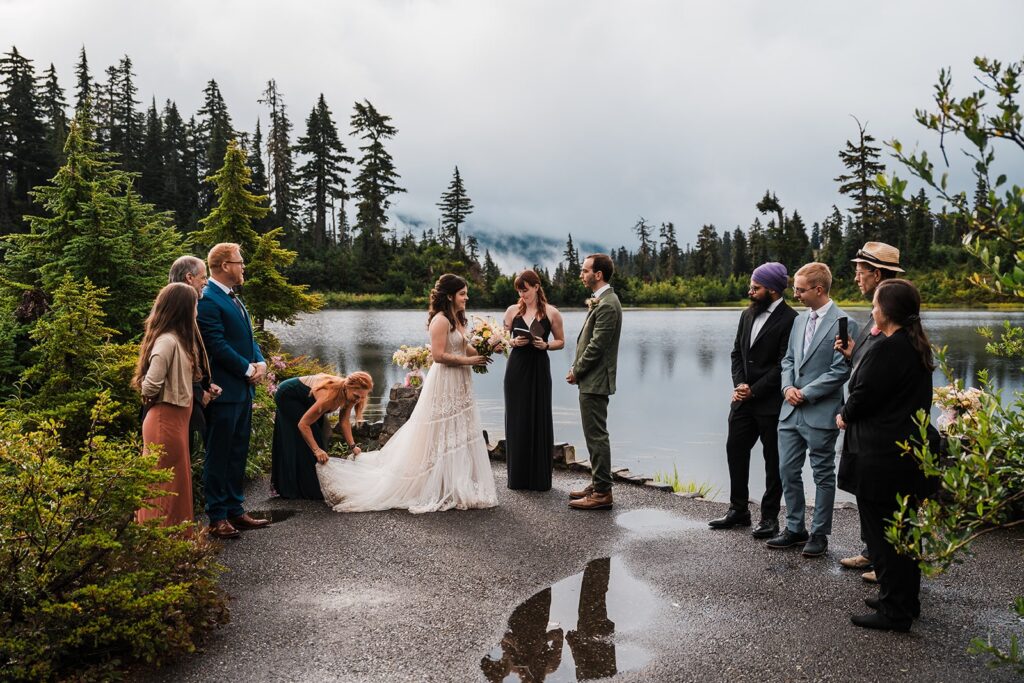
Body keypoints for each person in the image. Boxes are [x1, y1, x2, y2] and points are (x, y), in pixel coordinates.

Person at [316, 274, 498, 513]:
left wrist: (488, 347)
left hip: (461, 382)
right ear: (450, 296)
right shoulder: (441, 320)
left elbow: (467, 347)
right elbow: (438, 356)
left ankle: (456, 483)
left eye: (466, 293)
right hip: (445, 381)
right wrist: (469, 359)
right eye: (462, 293)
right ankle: (434, 483)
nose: (466, 297)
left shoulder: (459, 319)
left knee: (460, 429)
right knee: (437, 429)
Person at [837, 279, 933, 632]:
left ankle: (895, 612)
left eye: (875, 304)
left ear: (888, 311)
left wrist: (844, 415)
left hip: (880, 455)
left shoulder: (888, 349)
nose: (871, 309)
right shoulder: (913, 345)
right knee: (904, 530)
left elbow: (863, 393)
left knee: (885, 535)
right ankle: (905, 600)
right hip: (904, 453)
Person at [768, 262, 856, 557]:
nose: (795, 294)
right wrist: (786, 388)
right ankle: (794, 528)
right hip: (789, 411)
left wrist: (805, 393)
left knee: (822, 474)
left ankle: (819, 533)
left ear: (819, 290)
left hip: (820, 412)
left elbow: (840, 371)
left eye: (800, 290)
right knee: (787, 470)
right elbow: (788, 361)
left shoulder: (845, 322)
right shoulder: (798, 322)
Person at [709, 262, 798, 538]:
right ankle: (739, 511)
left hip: (771, 402)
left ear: (771, 290)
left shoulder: (791, 319)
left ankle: (770, 518)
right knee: (735, 450)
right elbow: (736, 353)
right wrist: (739, 385)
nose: (750, 291)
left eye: (755, 287)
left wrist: (755, 389)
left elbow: (784, 363)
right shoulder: (747, 314)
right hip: (743, 400)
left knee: (774, 461)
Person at [834, 241, 904, 579]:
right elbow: (871, 366)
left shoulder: (896, 319)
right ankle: (873, 551)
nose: (857, 278)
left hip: (881, 428)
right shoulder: (877, 316)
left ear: (877, 274)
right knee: (868, 493)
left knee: (883, 497)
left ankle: (886, 562)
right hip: (869, 426)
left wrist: (847, 412)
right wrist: (852, 354)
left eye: (861, 272)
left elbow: (881, 378)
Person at [197, 243, 270, 539]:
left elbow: (246, 338)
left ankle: (235, 509)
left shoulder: (233, 298)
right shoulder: (208, 299)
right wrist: (247, 368)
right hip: (223, 391)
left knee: (238, 450)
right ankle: (216, 516)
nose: (243, 267)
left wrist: (261, 361)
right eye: (240, 262)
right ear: (225, 265)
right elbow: (215, 344)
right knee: (219, 452)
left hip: (242, 391)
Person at [134, 283, 210, 527]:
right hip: (164, 421)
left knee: (176, 483)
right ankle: (157, 542)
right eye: (195, 304)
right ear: (183, 308)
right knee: (162, 485)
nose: (197, 309)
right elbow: (149, 386)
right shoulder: (167, 341)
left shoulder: (179, 339)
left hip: (176, 420)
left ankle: (174, 543)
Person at [566, 254, 623, 511]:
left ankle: (602, 492)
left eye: (585, 270)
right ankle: (598, 482)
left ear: (598, 274)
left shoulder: (608, 304)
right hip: (591, 377)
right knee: (593, 434)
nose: (581, 274)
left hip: (596, 379)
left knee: (596, 435)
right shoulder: (602, 301)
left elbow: (597, 346)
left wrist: (577, 370)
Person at [503, 269, 565, 491]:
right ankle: (518, 478)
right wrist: (512, 343)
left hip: (539, 366)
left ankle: (539, 479)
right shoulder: (512, 311)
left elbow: (561, 341)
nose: (522, 294)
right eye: (519, 291)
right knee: (517, 416)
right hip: (517, 368)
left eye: (525, 290)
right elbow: (501, 339)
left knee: (539, 416)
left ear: (537, 287)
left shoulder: (551, 313)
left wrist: (546, 345)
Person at [271, 372, 373, 500]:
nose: (358, 400)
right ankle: (299, 488)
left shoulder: (352, 394)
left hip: (307, 399)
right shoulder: (328, 397)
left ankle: (305, 484)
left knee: (319, 438)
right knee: (310, 442)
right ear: (347, 387)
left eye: (362, 397)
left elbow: (344, 421)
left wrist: (352, 446)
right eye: (357, 396)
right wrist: (316, 450)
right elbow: (303, 424)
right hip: (288, 395)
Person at [168, 255, 222, 444]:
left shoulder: (185, 308)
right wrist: (199, 395)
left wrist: (207, 385)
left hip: (188, 403)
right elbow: (179, 366)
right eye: (203, 277)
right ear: (189, 278)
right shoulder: (174, 312)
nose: (206, 282)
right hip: (175, 409)